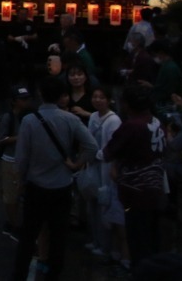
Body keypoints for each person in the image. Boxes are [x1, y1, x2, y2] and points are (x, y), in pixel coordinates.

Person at [11, 73, 98, 281]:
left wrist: (21, 181)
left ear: (40, 94)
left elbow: (21, 157)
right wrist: (77, 164)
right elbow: (92, 146)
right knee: (59, 236)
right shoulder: (71, 119)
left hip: (36, 185)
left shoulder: (30, 121)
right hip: (62, 185)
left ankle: (19, 275)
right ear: (61, 96)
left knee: (28, 235)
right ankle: (53, 275)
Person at [104, 85, 169, 272]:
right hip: (156, 190)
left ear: (127, 105)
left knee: (139, 244)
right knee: (152, 241)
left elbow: (108, 152)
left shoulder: (132, 126)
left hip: (136, 192)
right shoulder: (157, 122)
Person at [80, 85, 122, 262]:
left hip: (105, 167)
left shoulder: (114, 121)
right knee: (93, 206)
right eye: (95, 96)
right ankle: (96, 241)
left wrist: (95, 155)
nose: (97, 100)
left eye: (102, 97)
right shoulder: (94, 117)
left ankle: (106, 246)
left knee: (104, 205)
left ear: (109, 100)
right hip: (94, 166)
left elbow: (112, 146)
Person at [0, 86, 34, 240]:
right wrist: (20, 137)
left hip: (27, 159)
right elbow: (0, 139)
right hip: (11, 158)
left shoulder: (30, 115)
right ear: (14, 101)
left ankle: (18, 223)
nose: (26, 102)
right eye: (22, 99)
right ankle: (13, 224)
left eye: (27, 99)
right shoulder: (8, 117)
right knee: (11, 195)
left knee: (23, 194)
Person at [146, 39, 182, 112]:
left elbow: (167, 91)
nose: (153, 57)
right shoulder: (166, 66)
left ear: (161, 53)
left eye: (154, 54)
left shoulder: (170, 68)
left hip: (169, 107)